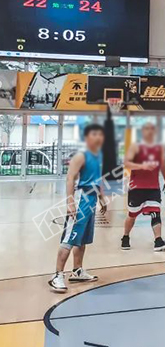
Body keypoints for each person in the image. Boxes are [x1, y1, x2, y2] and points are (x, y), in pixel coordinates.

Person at [49, 124, 108, 293]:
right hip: (80, 198)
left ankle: (77, 270)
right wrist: (70, 202)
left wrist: (101, 198)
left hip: (91, 199)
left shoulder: (99, 156)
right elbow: (70, 178)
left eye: (100, 134)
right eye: (94, 134)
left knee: (82, 239)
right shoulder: (81, 156)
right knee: (70, 238)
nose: (98, 137)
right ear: (87, 137)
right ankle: (57, 275)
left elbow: (98, 178)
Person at [121, 122, 165, 251]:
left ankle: (158, 241)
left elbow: (163, 165)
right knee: (132, 215)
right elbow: (126, 163)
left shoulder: (159, 148)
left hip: (153, 187)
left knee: (156, 212)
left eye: (152, 129)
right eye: (147, 129)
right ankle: (125, 237)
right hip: (137, 188)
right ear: (142, 131)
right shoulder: (136, 146)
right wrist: (142, 166)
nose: (150, 131)